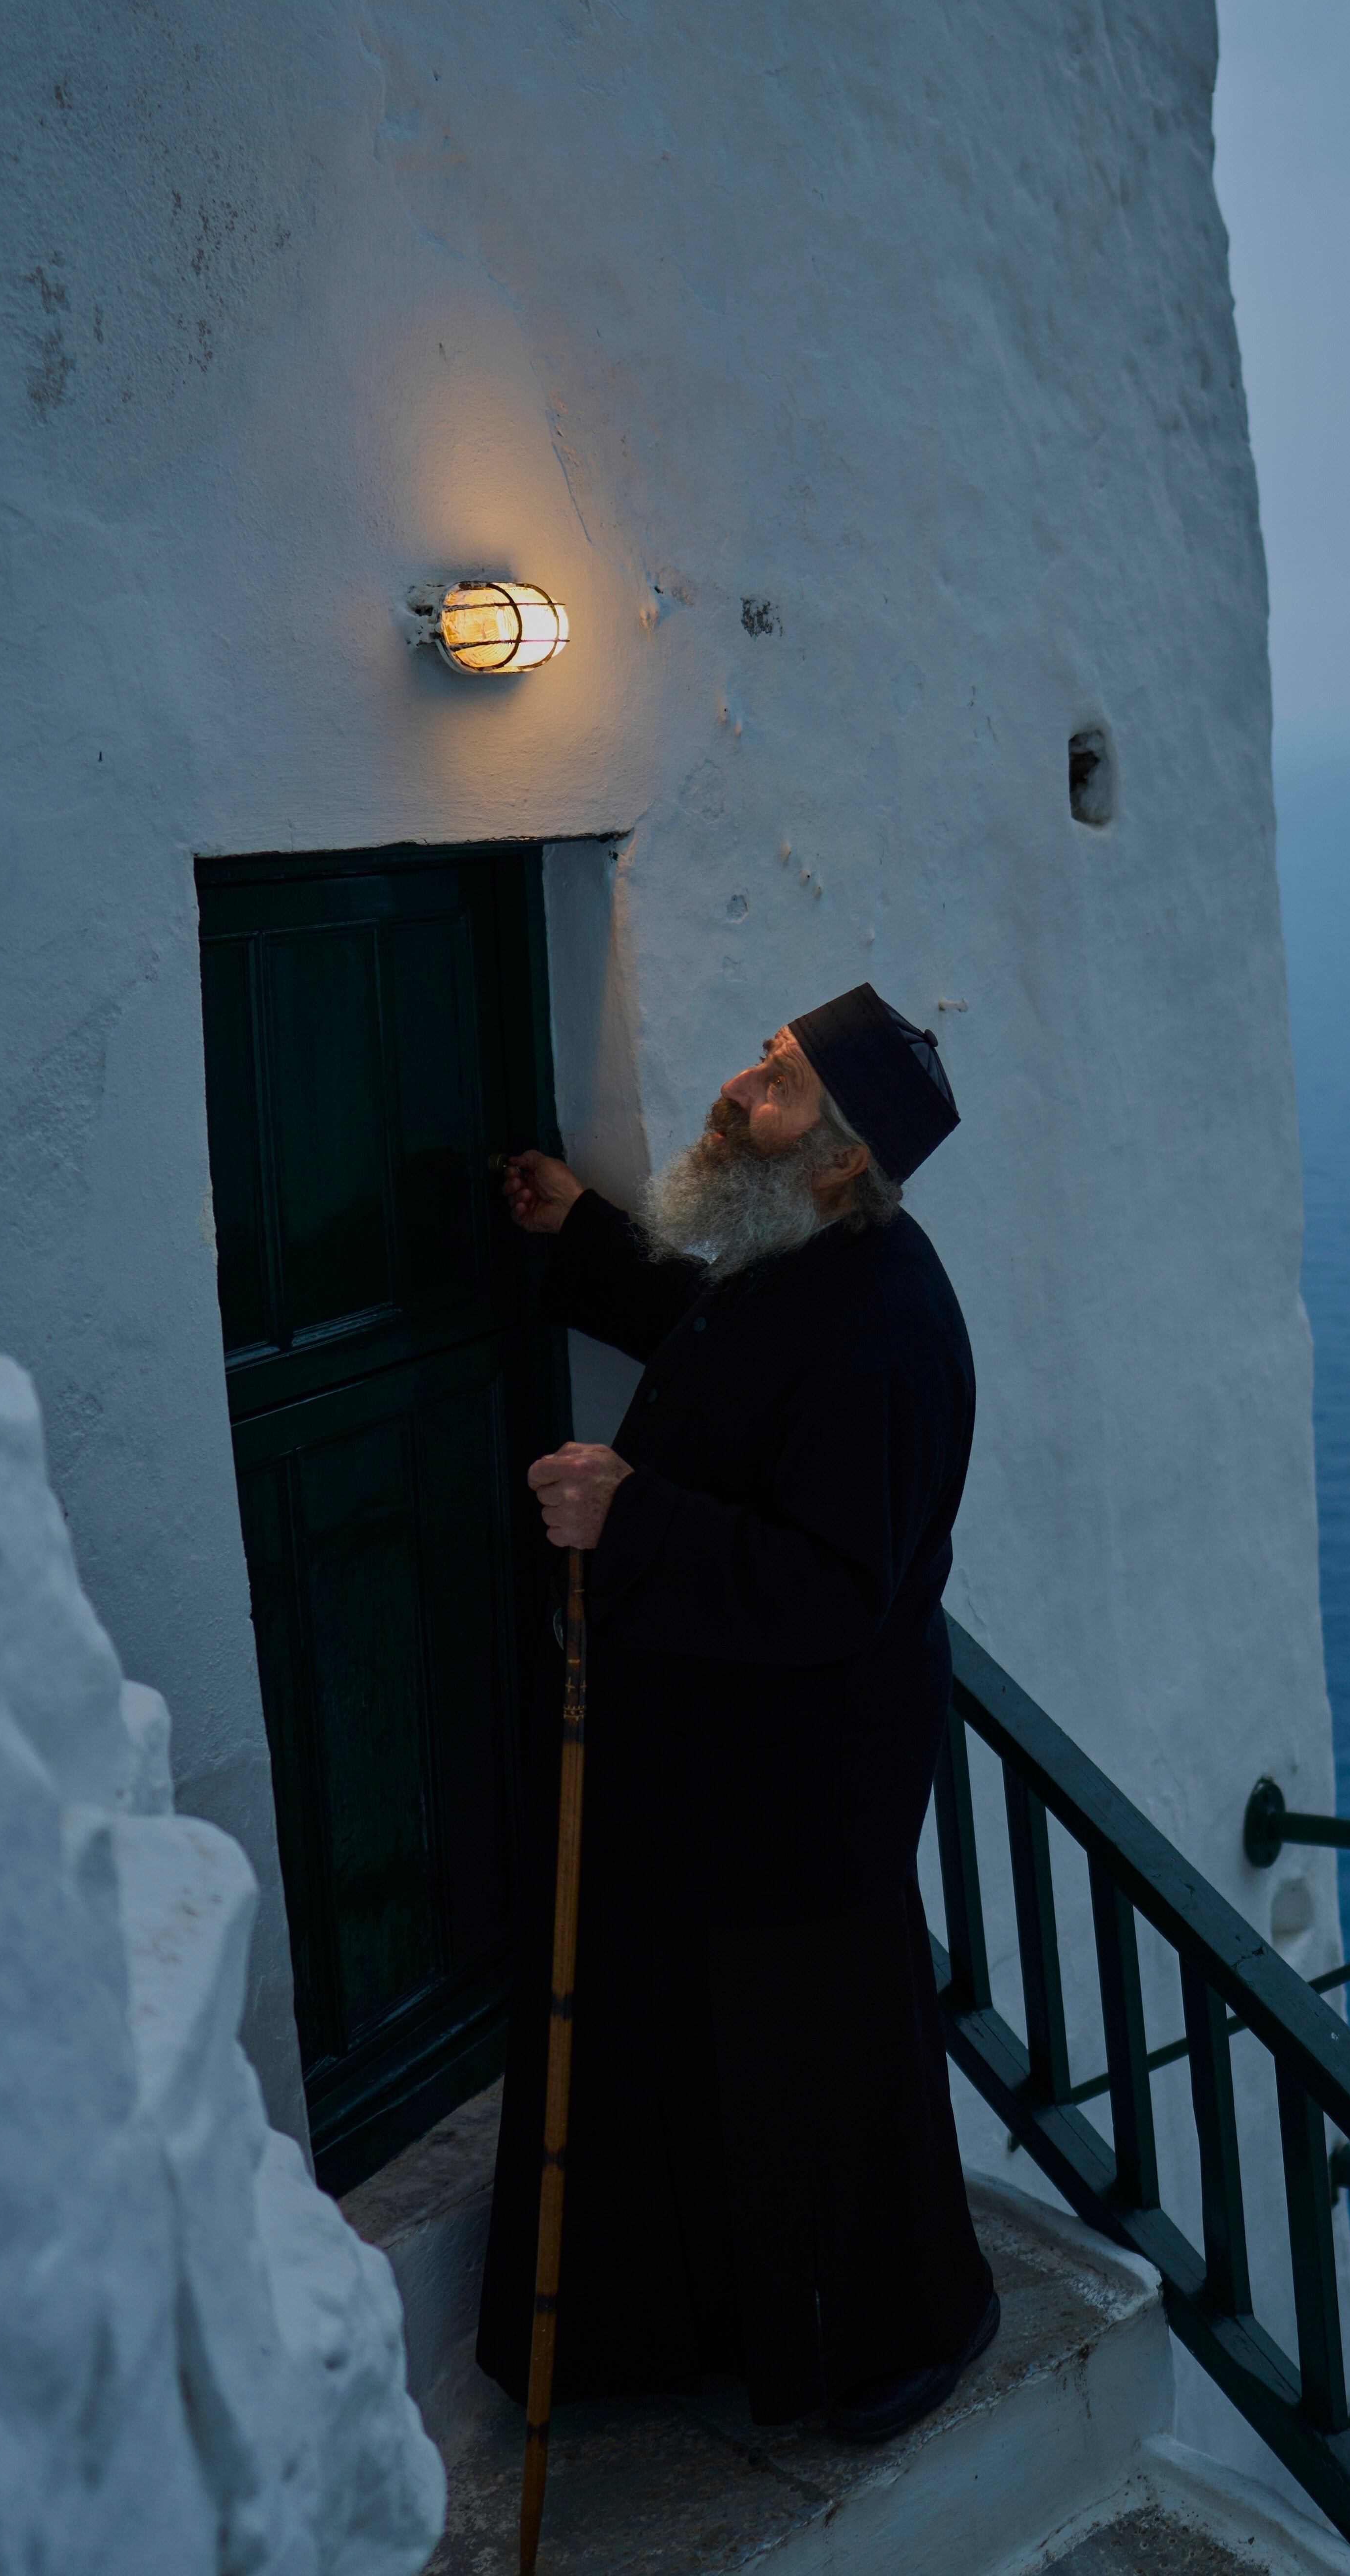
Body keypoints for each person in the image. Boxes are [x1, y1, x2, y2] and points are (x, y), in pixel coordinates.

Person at [474, 982, 998, 2442]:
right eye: (761, 1060)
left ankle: (871, 2355)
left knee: (812, 2100)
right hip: (748, 1773)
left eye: (774, 1085)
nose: (732, 1090)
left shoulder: (886, 1323)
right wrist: (583, 1235)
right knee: (734, 2077)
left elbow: (837, 1582)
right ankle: (723, 2335)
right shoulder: (811, 1254)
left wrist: (632, 1520)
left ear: (838, 1158)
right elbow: (720, 1337)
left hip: (800, 1795)